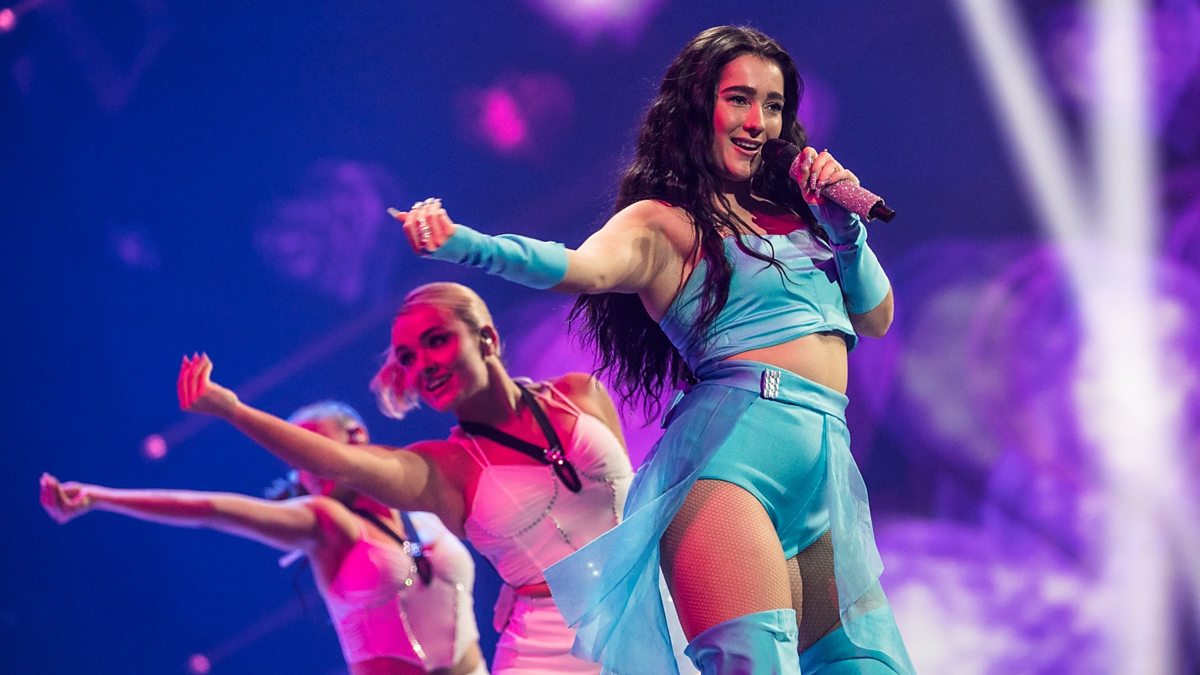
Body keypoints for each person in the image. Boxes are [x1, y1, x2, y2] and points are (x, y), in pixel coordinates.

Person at [391, 25, 914, 675]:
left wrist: (847, 233)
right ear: (696, 106)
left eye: (774, 105)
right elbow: (576, 268)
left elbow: (876, 317)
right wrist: (463, 244)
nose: (758, 122)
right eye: (739, 99)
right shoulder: (662, 222)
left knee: (865, 664)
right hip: (731, 466)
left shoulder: (805, 217)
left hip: (824, 468)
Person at [174, 282, 635, 674]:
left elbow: (637, 503)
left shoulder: (580, 393)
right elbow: (337, 463)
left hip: (646, 607)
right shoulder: (440, 469)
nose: (423, 365)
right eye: (408, 359)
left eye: (436, 340)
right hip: (548, 652)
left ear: (487, 338)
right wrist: (233, 410)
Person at [39, 401, 485, 675]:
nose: (308, 469)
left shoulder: (419, 504)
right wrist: (100, 497)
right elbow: (211, 510)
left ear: (356, 436)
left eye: (312, 449)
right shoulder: (328, 523)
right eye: (297, 462)